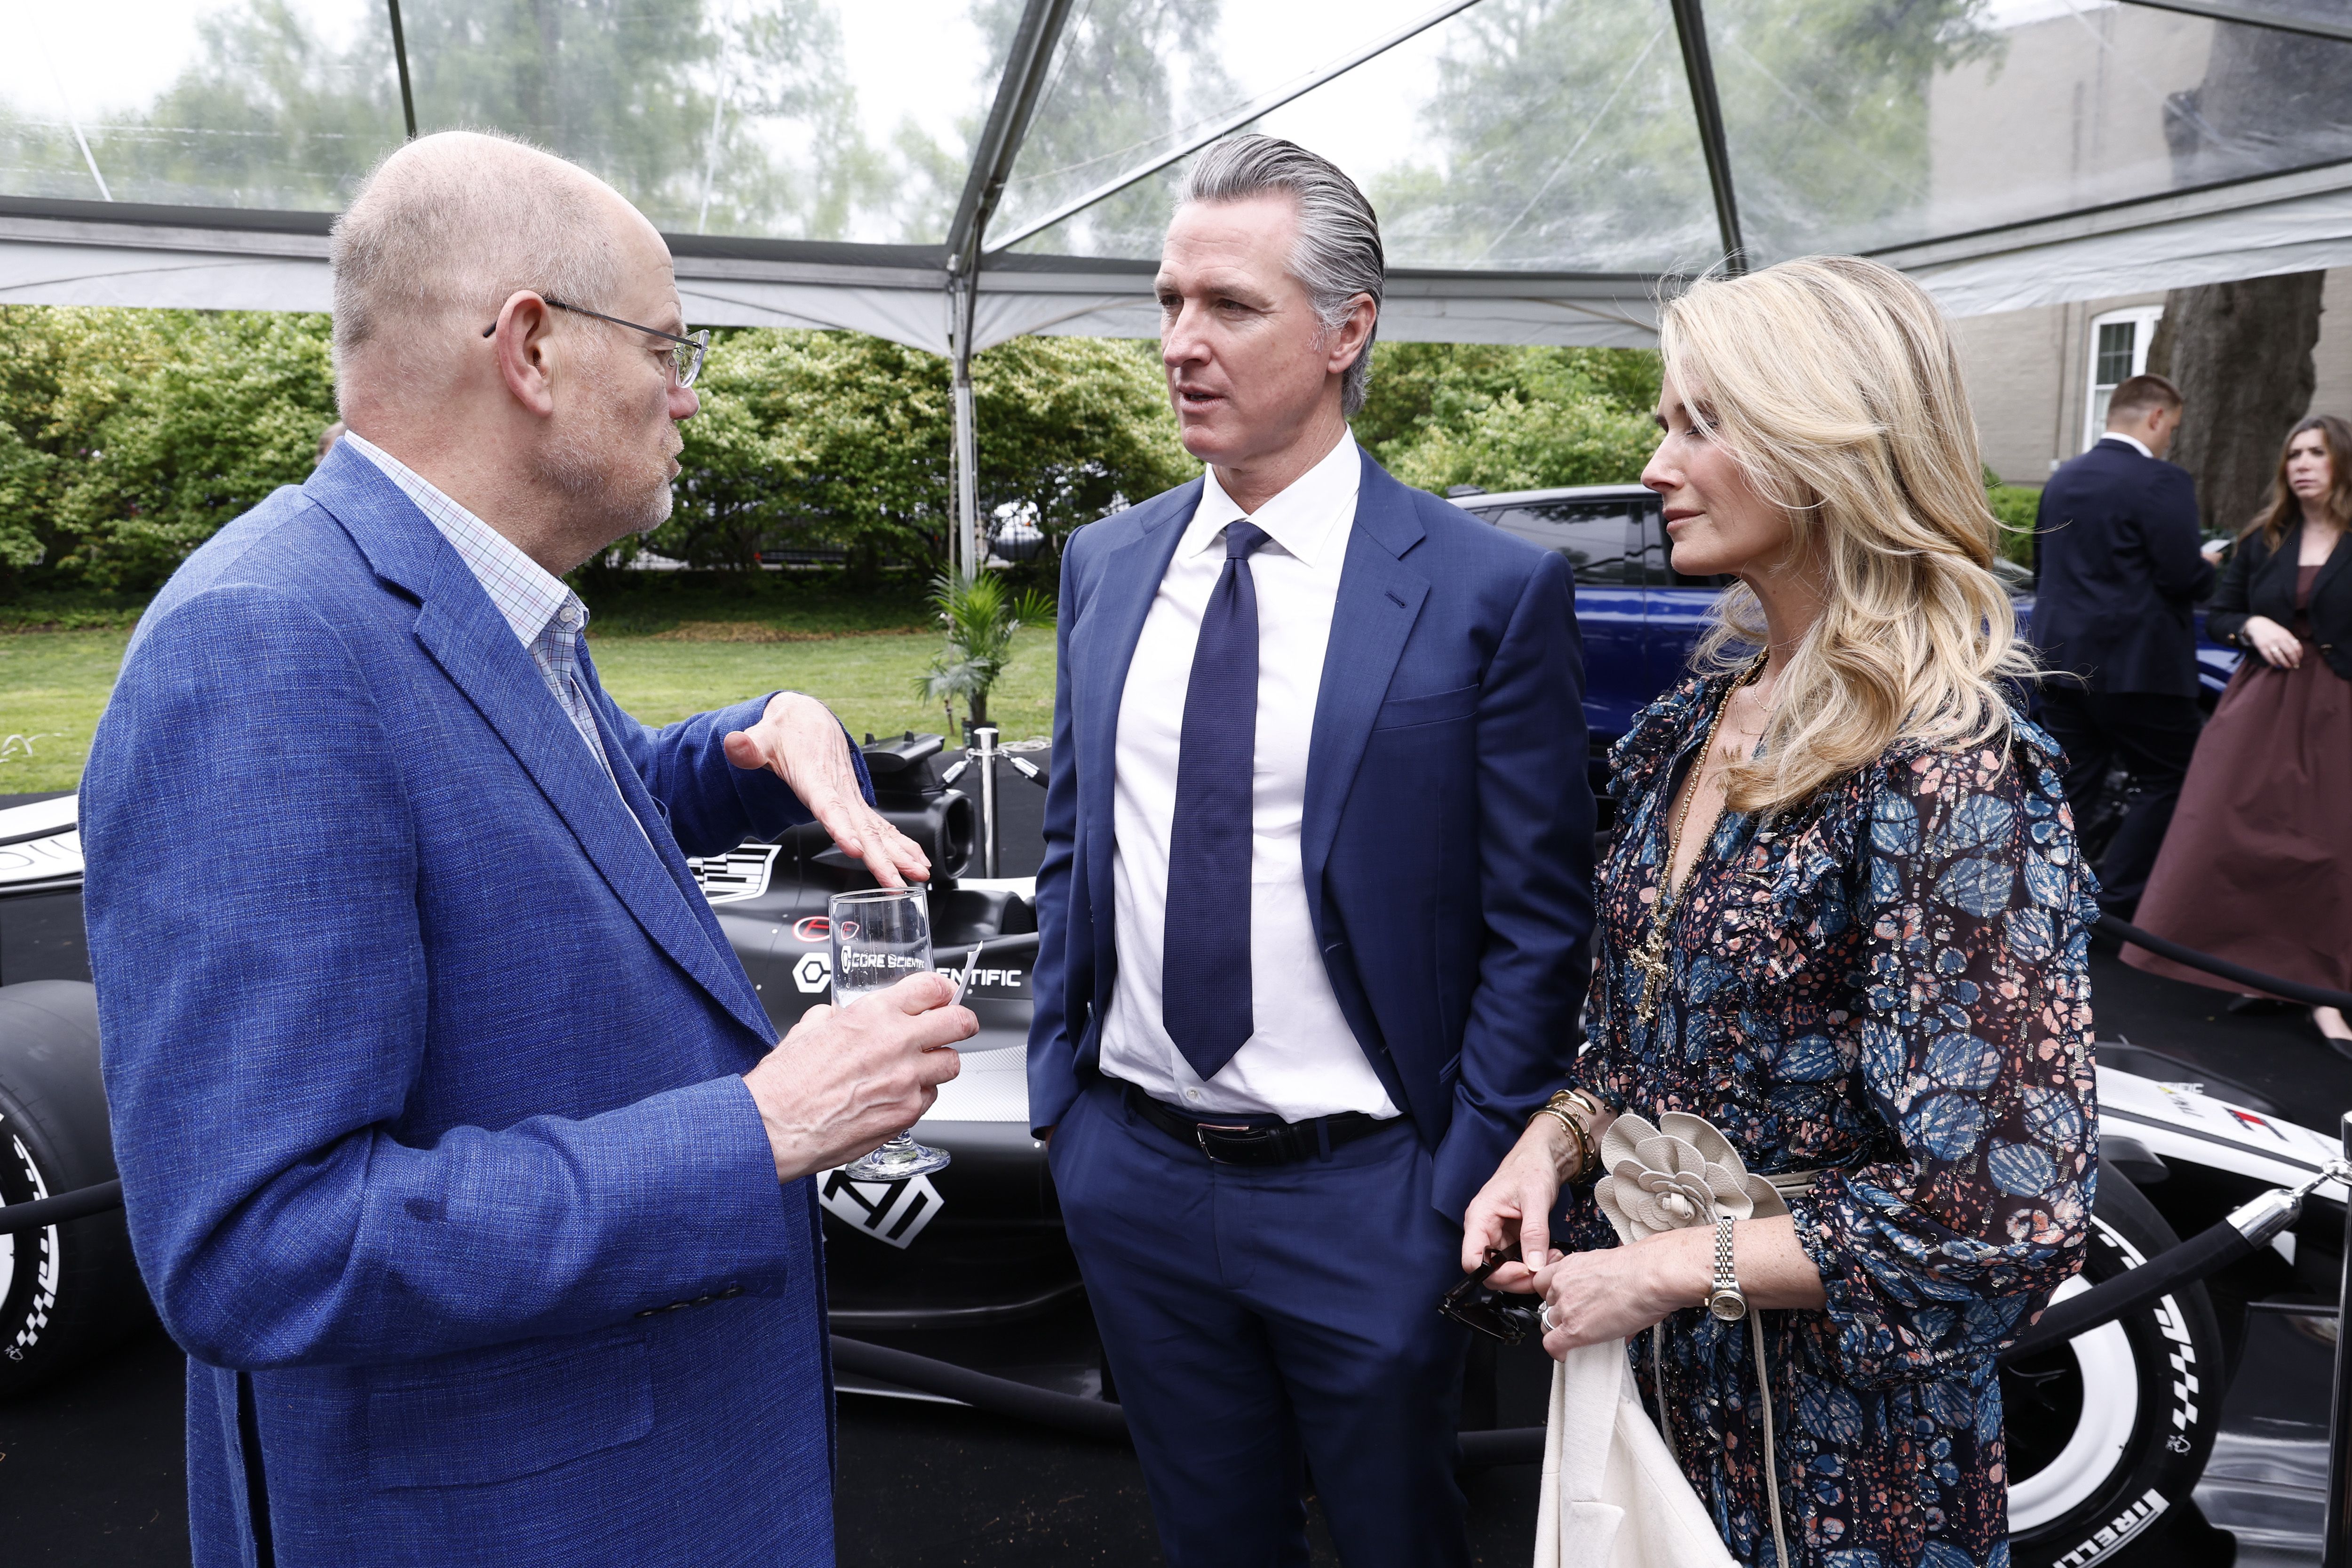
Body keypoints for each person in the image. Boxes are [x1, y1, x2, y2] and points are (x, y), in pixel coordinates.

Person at [79, 130, 975, 1567]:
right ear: (534, 347)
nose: (688, 393)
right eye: (668, 347)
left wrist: (748, 748)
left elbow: (546, 810)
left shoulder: (482, 597)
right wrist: (756, 1129)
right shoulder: (260, 643)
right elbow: (259, 1246)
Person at [1464, 256, 2098, 1568]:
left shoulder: (1947, 767)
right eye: (1666, 421)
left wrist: (1662, 1268)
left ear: (1829, 445)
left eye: (1701, 423)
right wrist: (1553, 1142)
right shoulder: (1685, 728)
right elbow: (1640, 1042)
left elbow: (1997, 1207)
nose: (1656, 464)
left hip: (1847, 1444)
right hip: (1664, 1395)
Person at [1025, 134, 1593, 1568]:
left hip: (1370, 1195)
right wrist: (1061, 1108)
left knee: (1402, 1540)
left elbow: (1538, 918)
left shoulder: (1486, 590)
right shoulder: (1105, 564)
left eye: (1230, 305)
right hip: (1133, 1176)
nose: (1181, 342)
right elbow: (1074, 846)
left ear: (1347, 331)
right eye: (1169, 302)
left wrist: (1450, 1178)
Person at [2127, 414, 2352, 1046]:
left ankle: (2325, 994)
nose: (2301, 464)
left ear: (2342, 462)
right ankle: (2264, 971)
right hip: (2262, 705)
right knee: (2247, 837)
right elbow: (2221, 613)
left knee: (2331, 847)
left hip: (2337, 705)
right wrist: (2253, 625)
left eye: (2317, 453)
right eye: (2294, 454)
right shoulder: (2266, 538)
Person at [2028, 371, 2215, 914]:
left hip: (2058, 660)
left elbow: (2045, 571)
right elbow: (2180, 577)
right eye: (2171, 428)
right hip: (2137, 667)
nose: (2168, 439)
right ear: (2156, 417)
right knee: (2175, 776)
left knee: (2074, 784)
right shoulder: (2162, 480)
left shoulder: (2062, 479)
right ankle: (2118, 906)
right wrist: (2207, 566)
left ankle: (2047, 903)